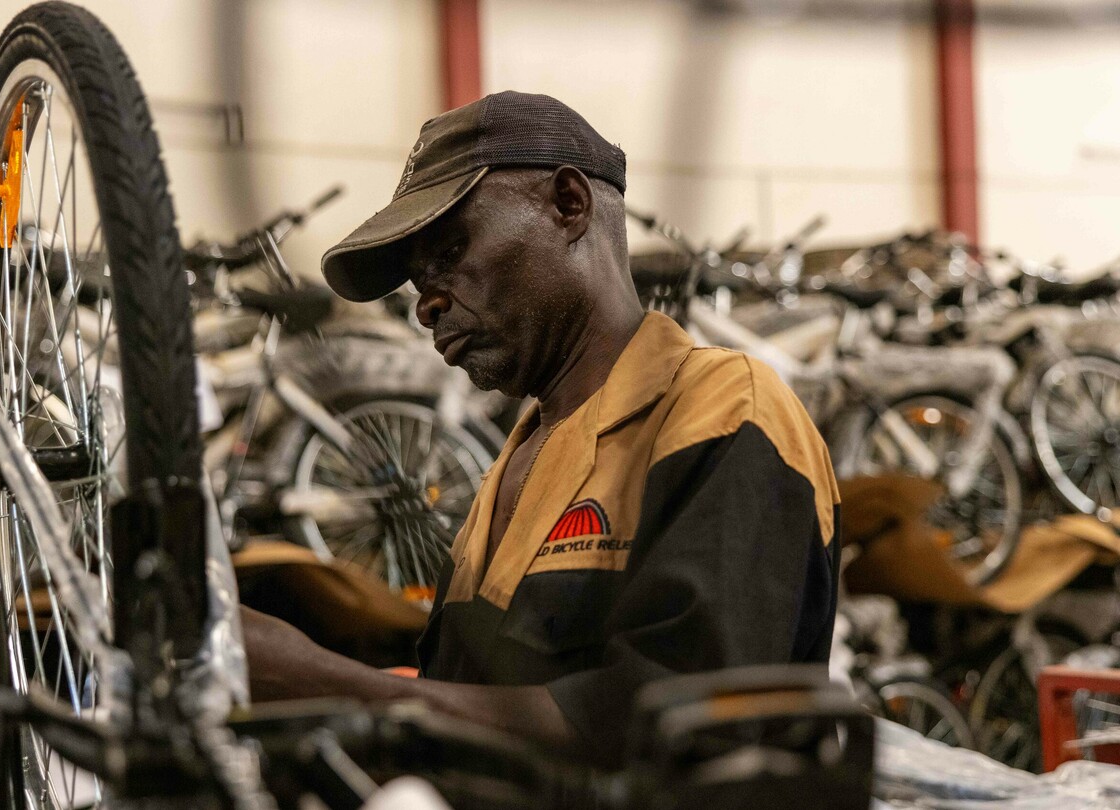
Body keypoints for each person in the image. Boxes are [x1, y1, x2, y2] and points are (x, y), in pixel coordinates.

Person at [239, 90, 840, 767]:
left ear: (568, 204)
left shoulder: (723, 410)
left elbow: (679, 733)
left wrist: (323, 682)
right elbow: (477, 705)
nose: (426, 305)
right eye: (416, 281)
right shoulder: (518, 460)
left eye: (452, 249)